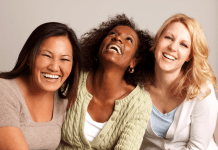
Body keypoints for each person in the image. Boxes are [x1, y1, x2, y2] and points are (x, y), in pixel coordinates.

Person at [57, 14, 153, 150]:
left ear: (133, 62)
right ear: (98, 48)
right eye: (112, 34)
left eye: (128, 40)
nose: (117, 38)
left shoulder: (140, 103)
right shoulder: (73, 77)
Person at [140, 13, 218, 150]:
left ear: (190, 55)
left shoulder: (202, 90)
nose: (173, 47)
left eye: (183, 45)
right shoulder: (137, 85)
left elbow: (198, 148)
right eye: (168, 38)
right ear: (157, 41)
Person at [0, 22, 82, 150]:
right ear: (29, 57)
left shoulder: (62, 101)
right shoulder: (4, 90)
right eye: (46, 55)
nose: (54, 67)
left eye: (64, 59)